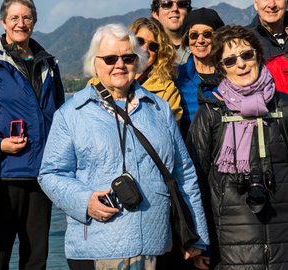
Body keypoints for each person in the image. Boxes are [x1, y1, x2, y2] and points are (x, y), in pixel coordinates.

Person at [38, 23, 208, 270]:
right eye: (109, 58)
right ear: (94, 63)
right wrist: (84, 201)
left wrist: (199, 236)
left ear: (137, 61)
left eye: (127, 57)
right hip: (96, 246)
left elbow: (184, 174)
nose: (119, 65)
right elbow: (50, 174)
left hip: (156, 244)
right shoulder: (70, 114)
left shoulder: (159, 109)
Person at [0, 0, 65, 269]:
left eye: (27, 17)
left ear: (34, 21)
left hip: (41, 176)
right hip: (1, 175)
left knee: (36, 260)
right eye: (14, 17)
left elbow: (61, 118)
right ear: (3, 22)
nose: (21, 23)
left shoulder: (49, 64)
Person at [186, 25, 288, 269]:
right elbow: (194, 181)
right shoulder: (210, 114)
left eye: (246, 55)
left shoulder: (283, 107)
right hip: (230, 249)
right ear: (221, 68)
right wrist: (201, 242)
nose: (240, 64)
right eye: (230, 60)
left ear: (258, 56)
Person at [88, 17, 182, 124]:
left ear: (160, 52)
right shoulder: (95, 84)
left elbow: (169, 134)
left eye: (153, 46)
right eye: (140, 41)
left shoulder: (167, 90)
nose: (145, 49)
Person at [174, 7, 224, 138]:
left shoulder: (229, 74)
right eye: (194, 35)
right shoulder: (177, 76)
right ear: (187, 39)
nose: (200, 40)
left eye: (207, 34)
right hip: (192, 151)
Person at [151, 0, 192, 65]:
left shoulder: (201, 48)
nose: (175, 9)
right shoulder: (148, 49)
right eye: (167, 4)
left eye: (181, 3)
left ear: (188, 12)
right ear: (156, 14)